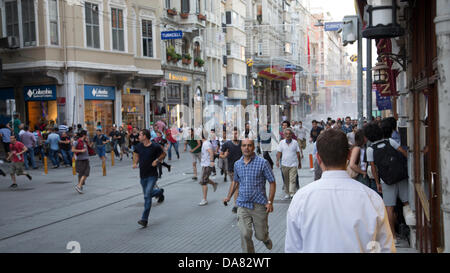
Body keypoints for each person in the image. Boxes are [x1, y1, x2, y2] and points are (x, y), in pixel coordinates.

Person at [285, 129, 395, 253]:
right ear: (348, 155)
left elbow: (292, 248)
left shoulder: (301, 199)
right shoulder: (372, 198)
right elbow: (386, 248)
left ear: (318, 158)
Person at [364, 121, 415, 242]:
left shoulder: (370, 149)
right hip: (401, 176)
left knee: (389, 207)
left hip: (386, 181)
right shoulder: (390, 141)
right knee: (407, 202)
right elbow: (405, 154)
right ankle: (413, 230)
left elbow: (373, 169)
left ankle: (393, 236)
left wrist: (377, 183)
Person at [223, 139, 276, 253]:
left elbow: (272, 182)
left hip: (259, 205)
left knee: (260, 235)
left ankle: (265, 238)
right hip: (242, 204)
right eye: (244, 145)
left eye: (249, 145)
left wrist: (270, 202)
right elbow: (235, 182)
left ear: (253, 147)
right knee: (245, 234)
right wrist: (228, 197)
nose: (246, 148)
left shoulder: (263, 163)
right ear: (241, 147)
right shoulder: (237, 164)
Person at [133, 129, 166, 228]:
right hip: (142, 175)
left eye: (140, 135)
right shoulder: (138, 146)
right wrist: (135, 163)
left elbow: (163, 154)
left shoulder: (155, 146)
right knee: (148, 194)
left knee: (147, 196)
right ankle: (159, 192)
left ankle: (144, 219)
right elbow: (136, 154)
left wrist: (157, 160)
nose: (138, 137)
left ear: (145, 137)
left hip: (152, 175)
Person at [220, 127, 242, 213]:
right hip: (232, 169)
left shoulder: (242, 143)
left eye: (236, 133)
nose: (235, 135)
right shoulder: (227, 144)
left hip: (243, 169)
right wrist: (224, 156)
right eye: (233, 134)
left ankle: (237, 204)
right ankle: (236, 205)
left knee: (238, 187)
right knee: (237, 187)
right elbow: (220, 155)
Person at [277, 128, 301, 199]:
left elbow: (298, 153)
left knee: (292, 179)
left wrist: (299, 163)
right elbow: (279, 153)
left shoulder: (295, 142)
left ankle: (292, 193)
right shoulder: (281, 142)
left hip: (293, 164)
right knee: (286, 180)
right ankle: (287, 193)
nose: (288, 135)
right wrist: (277, 161)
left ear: (292, 135)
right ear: (284, 135)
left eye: (289, 134)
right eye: (286, 134)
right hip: (284, 164)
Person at [198, 132, 218, 206]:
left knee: (203, 182)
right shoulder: (207, 143)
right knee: (204, 179)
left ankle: (204, 199)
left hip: (207, 165)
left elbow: (211, 152)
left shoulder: (206, 143)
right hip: (205, 164)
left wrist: (212, 161)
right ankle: (214, 184)